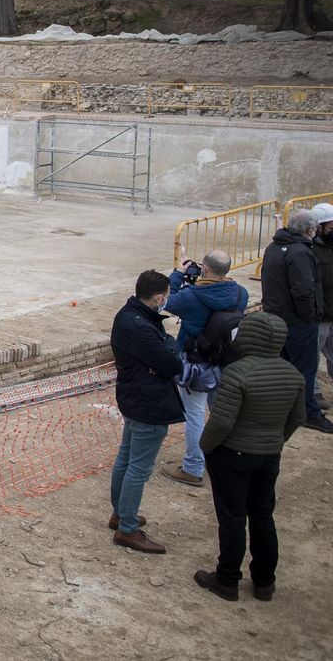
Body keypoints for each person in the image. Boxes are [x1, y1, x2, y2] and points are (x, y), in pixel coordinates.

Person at [193, 312, 304, 602]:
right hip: (269, 455)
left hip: (233, 455)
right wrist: (276, 441)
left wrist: (205, 446)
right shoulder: (293, 374)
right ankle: (264, 581)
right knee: (263, 515)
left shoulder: (238, 373)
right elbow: (298, 417)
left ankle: (227, 579)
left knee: (232, 519)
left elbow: (222, 422)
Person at [109, 269, 183, 553]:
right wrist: (170, 348)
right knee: (138, 467)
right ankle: (127, 527)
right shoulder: (140, 326)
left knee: (126, 459)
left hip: (135, 396)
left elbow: (163, 355)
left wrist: (163, 351)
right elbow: (172, 363)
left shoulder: (130, 314)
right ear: (160, 297)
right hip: (148, 402)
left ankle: (121, 513)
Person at [161, 250, 248, 487]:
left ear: (206, 269)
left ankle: (193, 467)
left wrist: (178, 274)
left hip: (197, 365)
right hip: (226, 362)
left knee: (195, 416)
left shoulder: (193, 296)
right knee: (222, 413)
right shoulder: (241, 293)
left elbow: (164, 301)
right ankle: (224, 461)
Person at [261, 208, 331, 432]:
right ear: (310, 229)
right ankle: (309, 414)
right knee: (305, 371)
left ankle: (282, 410)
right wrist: (310, 316)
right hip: (298, 323)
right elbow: (303, 290)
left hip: (277, 319)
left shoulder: (274, 247)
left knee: (284, 369)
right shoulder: (300, 252)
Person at [311, 203, 333, 404]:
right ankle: (314, 391)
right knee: (313, 354)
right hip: (321, 312)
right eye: (330, 226)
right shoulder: (310, 250)